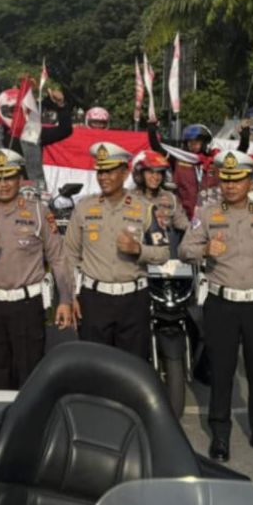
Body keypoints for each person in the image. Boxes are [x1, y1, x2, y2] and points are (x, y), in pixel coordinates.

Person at [179, 151, 253, 464]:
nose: (230, 185)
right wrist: (204, 249)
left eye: (237, 179)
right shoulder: (206, 213)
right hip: (221, 304)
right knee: (222, 371)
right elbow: (184, 249)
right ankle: (220, 435)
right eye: (226, 179)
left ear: (251, 181)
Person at [0, 148, 74, 389]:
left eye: (9, 177)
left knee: (30, 375)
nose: (3, 184)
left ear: (20, 179)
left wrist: (66, 300)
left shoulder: (39, 212)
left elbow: (58, 258)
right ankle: (3, 424)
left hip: (27, 306)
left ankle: (28, 426)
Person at [63, 142, 170, 359]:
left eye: (110, 171)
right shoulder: (84, 207)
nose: (104, 177)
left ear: (125, 172)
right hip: (94, 300)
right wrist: (71, 295)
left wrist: (138, 249)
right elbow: (70, 255)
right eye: (100, 171)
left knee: (132, 367)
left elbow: (163, 253)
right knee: (93, 365)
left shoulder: (145, 209)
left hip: (133, 300)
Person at [149, 122, 251, 219]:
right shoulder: (178, 160)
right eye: (190, 142)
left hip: (212, 217)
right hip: (184, 218)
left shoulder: (216, 161)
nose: (193, 145)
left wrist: (245, 138)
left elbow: (238, 155)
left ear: (205, 143)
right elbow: (157, 148)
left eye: (196, 142)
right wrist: (152, 130)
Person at [131, 150, 188, 244]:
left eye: (159, 173)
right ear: (140, 174)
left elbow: (183, 223)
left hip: (165, 252)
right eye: (150, 172)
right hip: (136, 252)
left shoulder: (171, 198)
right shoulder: (129, 198)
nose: (156, 177)